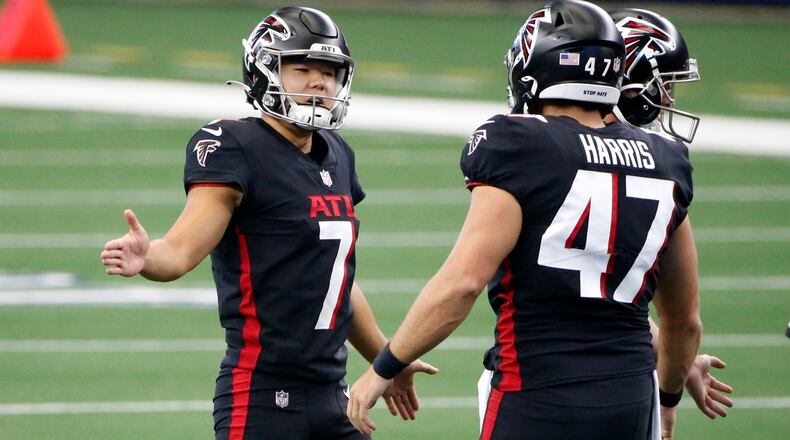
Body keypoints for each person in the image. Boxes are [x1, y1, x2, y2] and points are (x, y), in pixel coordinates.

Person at [348, 1, 702, 439]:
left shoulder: (517, 143)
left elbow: (462, 284)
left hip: (537, 390)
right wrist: (668, 397)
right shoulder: (667, 159)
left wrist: (385, 366)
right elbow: (683, 321)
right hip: (630, 395)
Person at [101, 6, 435, 440]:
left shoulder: (337, 152)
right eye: (302, 68)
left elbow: (334, 279)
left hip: (335, 395)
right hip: (261, 396)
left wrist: (386, 358)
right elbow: (181, 251)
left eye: (330, 72)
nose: (320, 81)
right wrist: (148, 256)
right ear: (263, 71)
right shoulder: (235, 146)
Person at [472, 7, 733, 430]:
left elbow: (600, 290)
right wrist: (671, 374)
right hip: (617, 391)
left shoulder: (535, 144)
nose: (667, 100)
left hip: (535, 387)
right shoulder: (661, 162)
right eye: (660, 84)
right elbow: (672, 315)